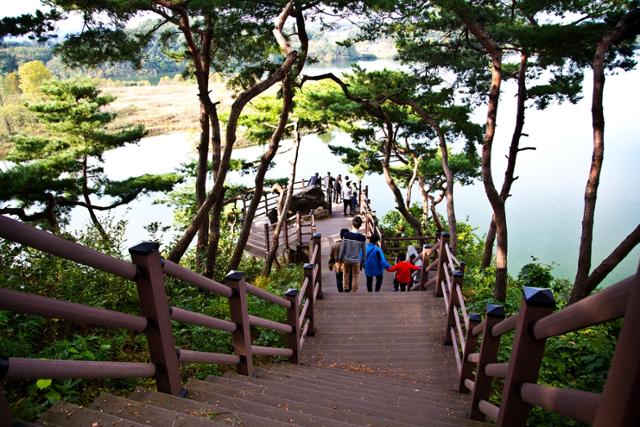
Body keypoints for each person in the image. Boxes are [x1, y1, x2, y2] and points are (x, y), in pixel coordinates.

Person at [339, 216, 366, 293]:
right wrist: (363, 260)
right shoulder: (362, 238)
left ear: (352, 224)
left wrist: (340, 258)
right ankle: (354, 291)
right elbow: (364, 252)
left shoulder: (346, 235)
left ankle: (346, 288)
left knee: (346, 273)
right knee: (355, 275)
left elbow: (342, 248)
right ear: (360, 226)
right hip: (356, 260)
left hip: (346, 259)